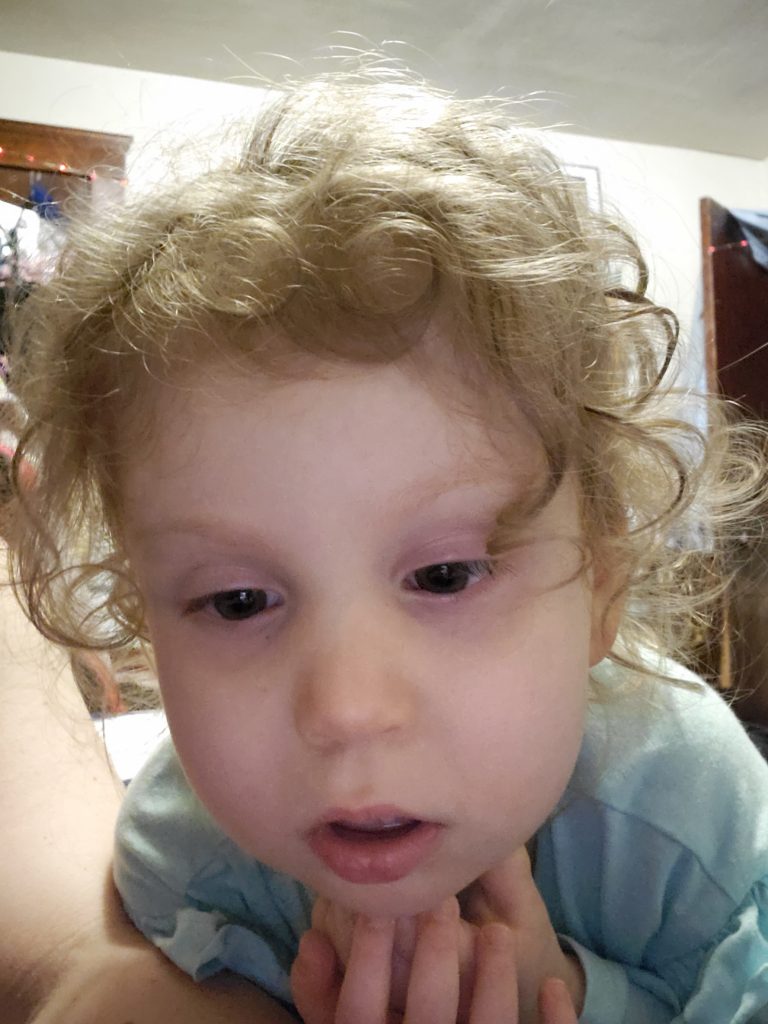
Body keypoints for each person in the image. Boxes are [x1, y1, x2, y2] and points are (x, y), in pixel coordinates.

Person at [6, 67, 768, 1023]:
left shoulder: (690, 810)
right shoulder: (183, 854)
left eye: (445, 575)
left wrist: (572, 996)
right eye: (238, 601)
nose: (347, 710)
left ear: (603, 590)